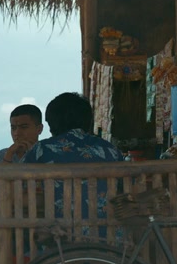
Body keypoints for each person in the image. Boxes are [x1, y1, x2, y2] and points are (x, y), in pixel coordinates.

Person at [21, 93, 123, 235]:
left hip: (62, 237)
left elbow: (18, 188)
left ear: (53, 123)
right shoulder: (110, 150)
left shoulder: (42, 149)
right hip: (109, 237)